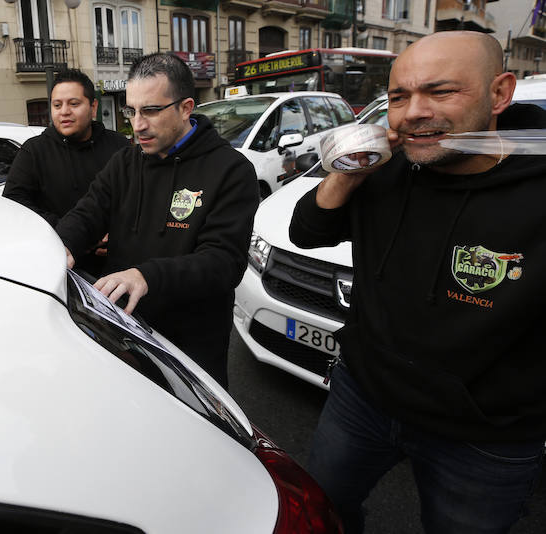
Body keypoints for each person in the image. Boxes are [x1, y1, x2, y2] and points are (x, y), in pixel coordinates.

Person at [289, 31, 546, 533]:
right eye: (398, 97)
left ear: (500, 93)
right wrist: (347, 171)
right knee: (321, 513)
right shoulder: (389, 168)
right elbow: (306, 232)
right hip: (362, 397)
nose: (412, 113)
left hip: (483, 437)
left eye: (441, 91)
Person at [56, 53, 259, 388]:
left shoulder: (231, 170)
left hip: (190, 349)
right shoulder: (125, 162)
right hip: (123, 333)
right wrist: (60, 245)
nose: (137, 125)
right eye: (131, 111)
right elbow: (88, 212)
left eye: (150, 110)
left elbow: (224, 262)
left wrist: (147, 276)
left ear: (186, 107)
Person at [3, 69, 128, 274]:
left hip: (117, 267)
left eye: (74, 103)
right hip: (61, 267)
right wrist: (74, 233)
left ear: (93, 106)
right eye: (57, 105)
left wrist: (117, 234)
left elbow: (136, 199)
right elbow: (15, 205)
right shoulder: (34, 151)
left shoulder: (119, 145)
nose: (64, 112)